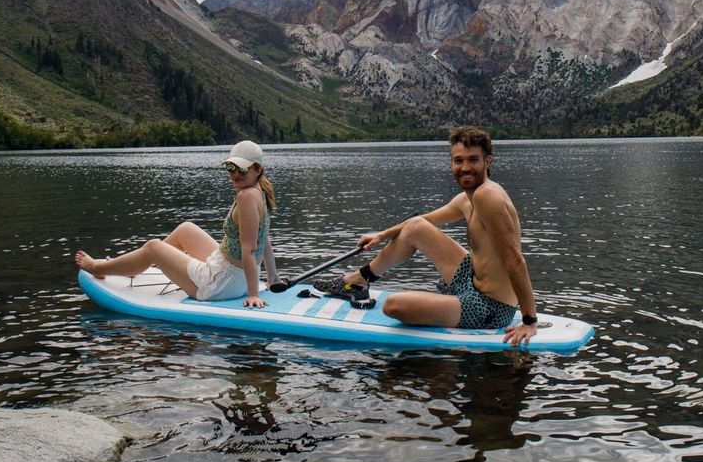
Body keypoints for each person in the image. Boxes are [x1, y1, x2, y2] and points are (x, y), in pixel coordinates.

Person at [315, 126, 540, 346]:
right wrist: (382, 235)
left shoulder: (486, 196)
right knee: (416, 227)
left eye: (473, 160)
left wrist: (529, 321)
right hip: (472, 281)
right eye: (458, 160)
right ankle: (358, 281)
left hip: (490, 307)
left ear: (487, 161)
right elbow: (425, 220)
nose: (465, 167)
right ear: (451, 162)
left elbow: (515, 260)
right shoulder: (467, 198)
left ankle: (448, 300)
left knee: (393, 306)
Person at [76, 140, 279, 308]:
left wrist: (253, 294)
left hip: (222, 283)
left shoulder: (246, 197)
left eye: (241, 169)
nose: (235, 174)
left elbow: (250, 250)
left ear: (257, 169)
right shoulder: (259, 191)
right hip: (235, 275)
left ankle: (99, 268)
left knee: (153, 246)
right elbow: (264, 239)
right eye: (230, 167)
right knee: (186, 229)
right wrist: (272, 278)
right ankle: (138, 264)